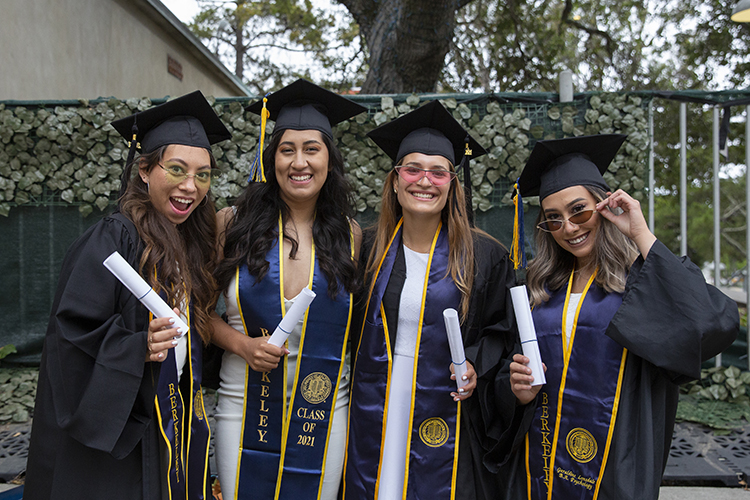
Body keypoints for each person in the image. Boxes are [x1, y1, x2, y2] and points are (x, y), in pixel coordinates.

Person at [502, 134, 739, 500]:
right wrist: (516, 390)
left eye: (578, 210)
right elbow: (511, 369)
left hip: (616, 464)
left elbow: (710, 320)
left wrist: (640, 233)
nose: (569, 227)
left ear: (603, 206)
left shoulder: (640, 282)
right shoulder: (544, 287)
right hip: (539, 465)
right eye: (554, 219)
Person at [24, 91, 231, 500]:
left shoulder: (189, 243)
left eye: (203, 174)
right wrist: (138, 344)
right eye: (177, 169)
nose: (191, 186)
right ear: (144, 170)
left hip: (170, 421)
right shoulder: (114, 238)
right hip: (122, 436)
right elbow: (72, 335)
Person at [343, 101, 520, 500]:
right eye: (413, 169)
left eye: (438, 171)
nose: (425, 180)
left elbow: (502, 332)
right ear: (394, 179)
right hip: (375, 400)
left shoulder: (483, 255)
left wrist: (476, 364)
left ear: (453, 183)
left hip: (446, 404)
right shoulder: (366, 247)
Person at [210, 79, 366, 500]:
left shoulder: (349, 235)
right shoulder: (231, 224)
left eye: (312, 149)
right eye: (287, 149)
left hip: (324, 411)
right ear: (271, 157)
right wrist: (242, 345)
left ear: (329, 160)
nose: (299, 162)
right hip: (243, 407)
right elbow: (197, 312)